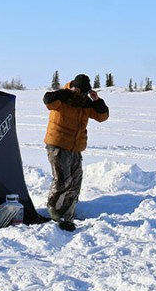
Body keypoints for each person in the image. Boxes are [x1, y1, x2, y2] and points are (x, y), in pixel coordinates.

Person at [43, 73, 109, 231]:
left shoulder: (85, 103)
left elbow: (102, 116)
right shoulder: (61, 98)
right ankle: (53, 208)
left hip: (75, 147)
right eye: (78, 91)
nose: (80, 95)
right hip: (57, 144)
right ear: (73, 88)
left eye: (84, 92)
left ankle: (66, 216)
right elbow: (47, 100)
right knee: (62, 180)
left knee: (74, 184)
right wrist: (66, 92)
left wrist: (97, 101)